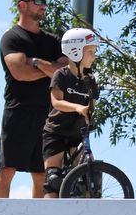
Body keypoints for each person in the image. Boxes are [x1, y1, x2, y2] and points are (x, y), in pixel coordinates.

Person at [0, 0, 67, 198]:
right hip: (18, 111)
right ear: (22, 5)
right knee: (7, 169)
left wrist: (35, 62)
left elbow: (63, 72)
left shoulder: (53, 41)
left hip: (48, 113)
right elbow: (20, 73)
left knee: (41, 173)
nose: (43, 6)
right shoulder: (12, 37)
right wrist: (49, 68)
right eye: (38, 1)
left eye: (44, 1)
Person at [42, 28, 101, 199]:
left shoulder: (91, 80)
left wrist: (89, 113)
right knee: (53, 179)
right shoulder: (61, 75)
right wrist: (77, 108)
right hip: (56, 132)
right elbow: (57, 102)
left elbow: (91, 106)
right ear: (75, 51)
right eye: (90, 51)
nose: (94, 56)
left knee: (91, 176)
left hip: (77, 133)